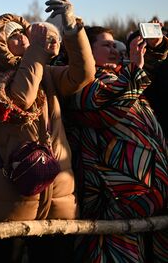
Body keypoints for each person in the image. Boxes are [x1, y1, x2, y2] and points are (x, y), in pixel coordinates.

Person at [0, 0, 95, 261]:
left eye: (24, 34)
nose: (24, 39)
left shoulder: (46, 74)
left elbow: (84, 74)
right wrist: (37, 52)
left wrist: (72, 28)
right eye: (14, 36)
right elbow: (21, 98)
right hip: (11, 199)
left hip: (58, 195)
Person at [66, 26, 168, 262]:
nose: (113, 49)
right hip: (114, 203)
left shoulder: (126, 75)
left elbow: (152, 69)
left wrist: (155, 44)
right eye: (106, 45)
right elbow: (109, 102)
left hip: (152, 195)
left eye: (115, 44)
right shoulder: (81, 83)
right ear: (86, 51)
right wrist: (134, 67)